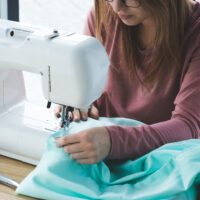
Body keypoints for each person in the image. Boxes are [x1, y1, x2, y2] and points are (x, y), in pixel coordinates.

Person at [55, 0, 200, 165]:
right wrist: (79, 101)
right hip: (101, 156)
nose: (117, 7)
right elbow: (86, 86)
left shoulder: (195, 33)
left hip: (163, 165)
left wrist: (113, 141)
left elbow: (188, 127)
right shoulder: (103, 14)